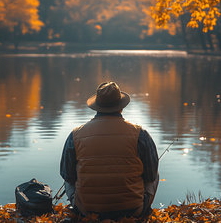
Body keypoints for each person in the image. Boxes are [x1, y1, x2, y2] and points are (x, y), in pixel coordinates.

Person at [60, 82, 159, 220]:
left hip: (87, 211)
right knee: (155, 173)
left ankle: (82, 208)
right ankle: (142, 211)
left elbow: (68, 176)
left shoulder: (75, 135)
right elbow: (151, 176)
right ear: (121, 107)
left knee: (68, 179)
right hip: (132, 210)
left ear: (97, 107)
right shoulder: (140, 134)